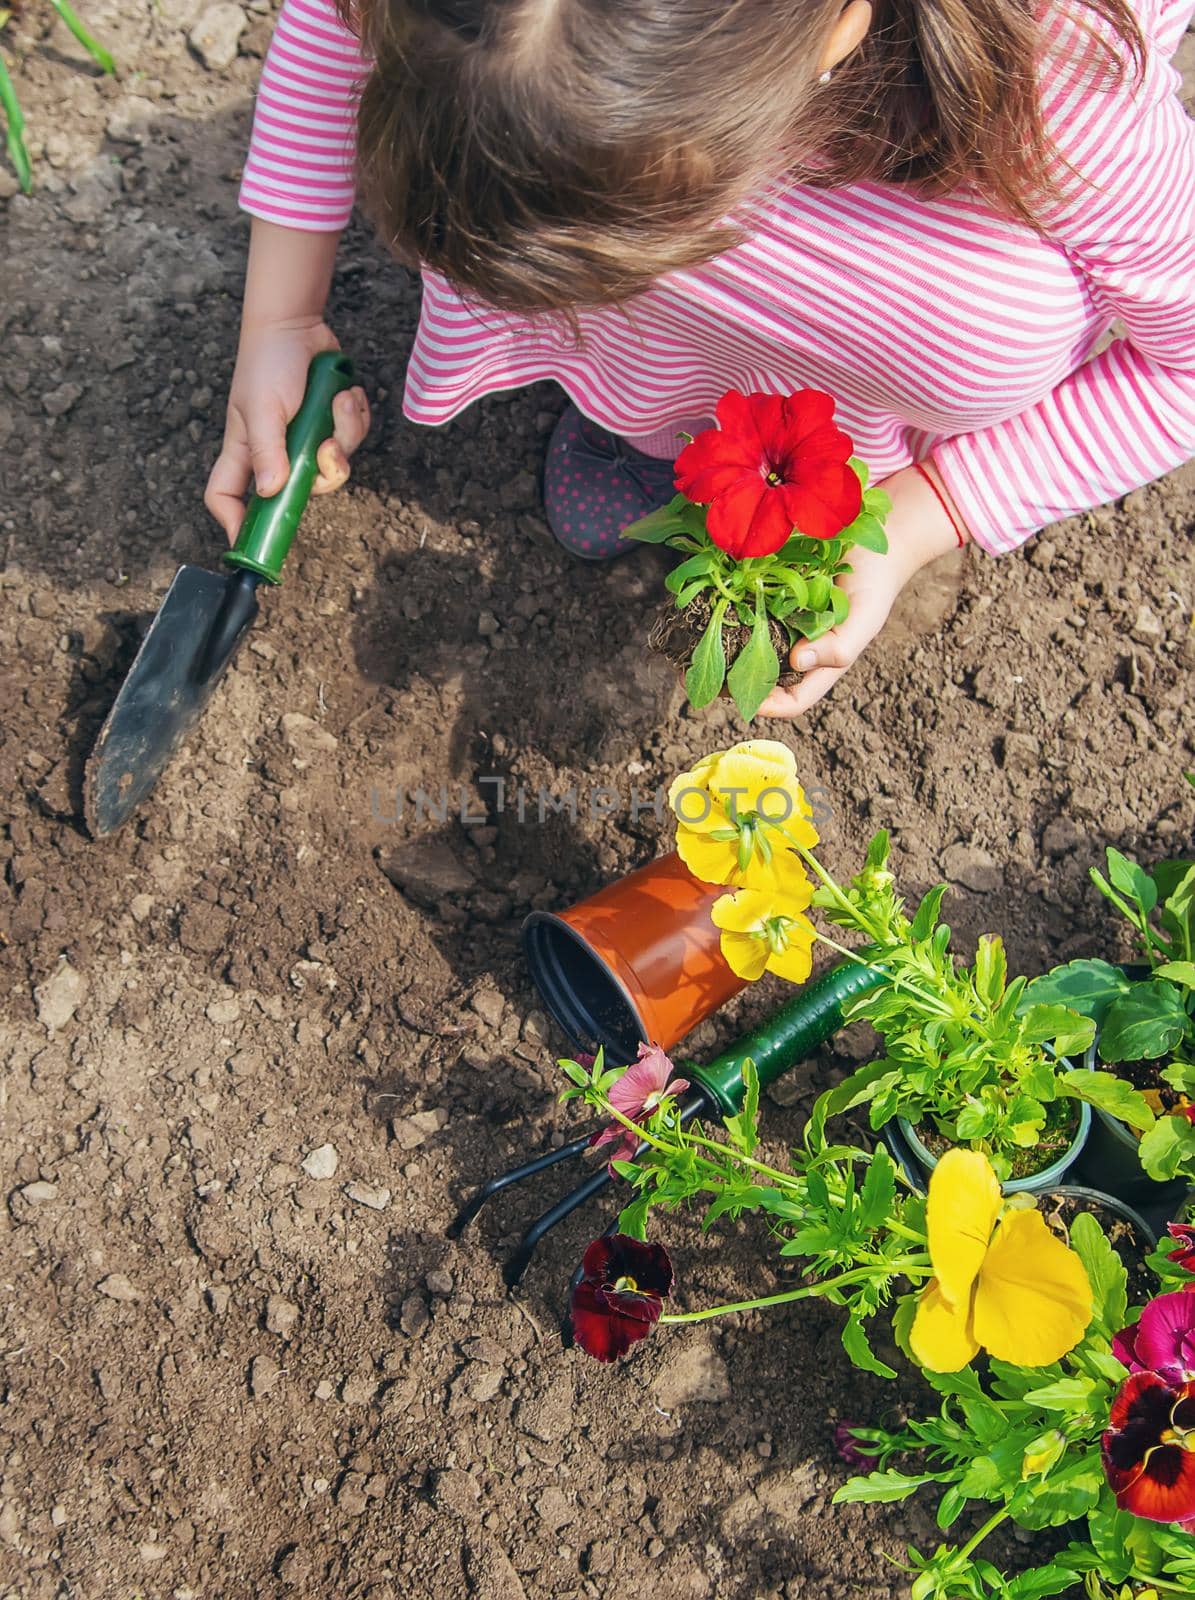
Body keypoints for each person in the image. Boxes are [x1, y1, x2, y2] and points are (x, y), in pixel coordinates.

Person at [205, 0, 1195, 718]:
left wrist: (924, 515)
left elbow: (1182, 370)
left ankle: (853, 466)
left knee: (950, 315)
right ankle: (650, 412)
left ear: (841, 29)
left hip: (920, 243)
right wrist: (279, 319)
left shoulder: (1060, 92)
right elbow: (329, 21)